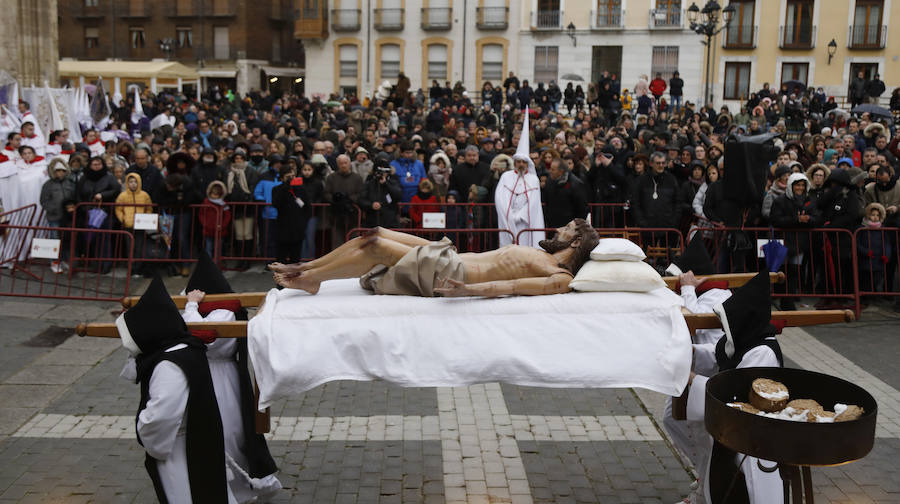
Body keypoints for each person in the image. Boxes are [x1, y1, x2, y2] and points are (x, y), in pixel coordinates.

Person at [117, 276, 233, 503]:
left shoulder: (169, 365)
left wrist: (145, 429)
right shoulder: (184, 348)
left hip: (179, 448)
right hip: (196, 440)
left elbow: (159, 417)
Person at [270, 218, 599, 297]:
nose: (560, 229)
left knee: (376, 249)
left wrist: (466, 292)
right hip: (451, 255)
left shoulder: (560, 278)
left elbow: (511, 286)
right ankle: (307, 267)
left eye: (568, 229)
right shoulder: (543, 256)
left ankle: (312, 279)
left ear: (578, 241)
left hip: (453, 271)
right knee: (374, 234)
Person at [181, 254, 282, 501]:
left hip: (220, 376)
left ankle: (237, 487)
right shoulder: (221, 310)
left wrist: (191, 307)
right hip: (207, 374)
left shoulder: (224, 313)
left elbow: (203, 338)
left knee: (228, 431)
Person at [682, 272, 785, 504]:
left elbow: (736, 393)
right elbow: (722, 351)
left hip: (754, 434)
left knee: (750, 485)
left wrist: (692, 379)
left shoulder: (762, 352)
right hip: (735, 426)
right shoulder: (747, 338)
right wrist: (693, 351)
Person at [495, 110, 544, 248]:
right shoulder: (506, 177)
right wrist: (509, 215)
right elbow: (500, 198)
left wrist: (520, 216)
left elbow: (534, 202)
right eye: (519, 162)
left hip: (525, 221)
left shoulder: (533, 180)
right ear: (515, 162)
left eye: (524, 162)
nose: (521, 164)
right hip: (508, 219)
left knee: (525, 246)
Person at [40, 158, 76, 273]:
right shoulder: (48, 185)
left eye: (62, 171)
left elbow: (74, 197)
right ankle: (54, 261)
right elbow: (43, 200)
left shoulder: (70, 183)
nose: (60, 173)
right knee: (54, 238)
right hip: (54, 217)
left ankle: (65, 260)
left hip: (67, 217)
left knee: (66, 239)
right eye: (57, 171)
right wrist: (52, 209)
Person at [271, 164, 310, 265]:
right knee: (281, 258)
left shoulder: (301, 189)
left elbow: (307, 207)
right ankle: (280, 280)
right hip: (282, 229)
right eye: (288, 177)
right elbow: (276, 204)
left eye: (293, 176)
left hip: (297, 229)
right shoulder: (277, 189)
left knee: (295, 259)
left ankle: (294, 279)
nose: (291, 179)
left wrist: (303, 223)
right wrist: (285, 188)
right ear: (282, 177)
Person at [323, 153, 363, 249]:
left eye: (345, 163)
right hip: (336, 215)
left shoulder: (357, 178)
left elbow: (361, 194)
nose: (343, 165)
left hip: (352, 214)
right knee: (337, 242)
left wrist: (349, 199)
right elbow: (326, 193)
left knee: (354, 241)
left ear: (349, 163)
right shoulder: (331, 178)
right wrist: (336, 199)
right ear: (337, 164)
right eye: (341, 163)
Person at [358, 155, 402, 228]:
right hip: (373, 220)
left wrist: (386, 184)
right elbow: (361, 200)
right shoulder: (369, 183)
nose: (382, 174)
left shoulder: (393, 181)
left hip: (390, 220)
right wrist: (371, 205)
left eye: (384, 171)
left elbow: (398, 195)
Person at [199, 181, 232, 258]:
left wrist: (223, 226)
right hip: (208, 230)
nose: (214, 196)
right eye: (213, 194)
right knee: (208, 247)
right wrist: (205, 224)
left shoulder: (224, 204)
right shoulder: (205, 202)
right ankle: (209, 264)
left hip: (220, 230)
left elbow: (227, 217)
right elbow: (201, 214)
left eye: (216, 194)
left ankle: (217, 263)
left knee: (218, 248)